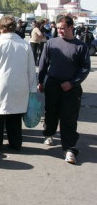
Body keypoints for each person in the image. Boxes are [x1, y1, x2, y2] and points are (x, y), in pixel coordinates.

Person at [0, 15, 37, 151]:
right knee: (15, 117)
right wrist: (32, 89)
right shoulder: (24, 44)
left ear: (0, 28)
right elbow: (31, 69)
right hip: (20, 86)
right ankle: (15, 144)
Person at [38, 15, 91, 165]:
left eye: (62, 28)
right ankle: (49, 133)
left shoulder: (81, 46)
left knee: (69, 118)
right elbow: (43, 63)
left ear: (71, 27)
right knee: (51, 112)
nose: (60, 30)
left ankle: (69, 149)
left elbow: (85, 69)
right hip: (52, 84)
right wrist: (40, 81)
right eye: (58, 28)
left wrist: (72, 83)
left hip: (71, 88)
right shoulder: (51, 43)